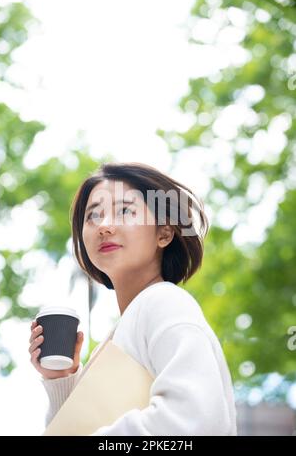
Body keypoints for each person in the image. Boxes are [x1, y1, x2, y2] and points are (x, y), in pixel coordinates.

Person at [29, 161, 237, 436]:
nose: (104, 226)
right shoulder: (118, 334)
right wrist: (60, 380)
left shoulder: (165, 303)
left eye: (125, 211)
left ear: (164, 233)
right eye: (93, 216)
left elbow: (193, 422)